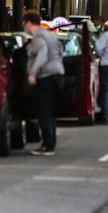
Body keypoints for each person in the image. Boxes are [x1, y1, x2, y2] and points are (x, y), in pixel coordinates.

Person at [23, 10, 64, 156]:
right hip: (57, 74)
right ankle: (50, 143)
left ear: (28, 23)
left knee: (44, 111)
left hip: (46, 76)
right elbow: (60, 50)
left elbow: (42, 54)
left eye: (25, 24)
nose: (25, 27)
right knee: (50, 112)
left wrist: (33, 73)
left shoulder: (39, 38)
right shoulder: (49, 34)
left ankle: (47, 145)